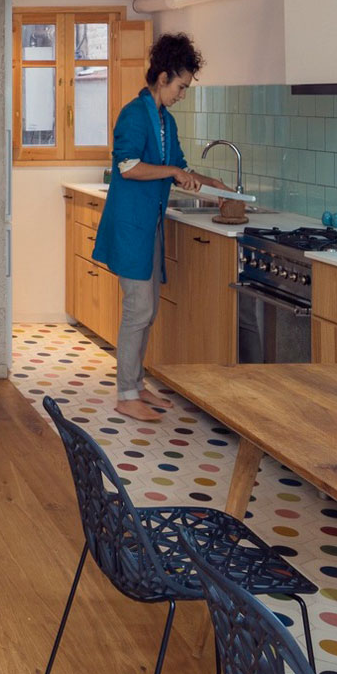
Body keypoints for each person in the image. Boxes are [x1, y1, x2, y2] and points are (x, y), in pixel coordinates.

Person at [91, 32, 230, 421]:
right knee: (139, 308)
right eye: (181, 87)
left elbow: (179, 168)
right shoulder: (134, 115)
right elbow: (128, 167)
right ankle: (125, 394)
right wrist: (172, 171)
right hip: (131, 224)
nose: (182, 94)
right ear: (164, 76)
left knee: (147, 311)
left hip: (148, 226)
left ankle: (136, 385)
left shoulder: (164, 120)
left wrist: (209, 184)